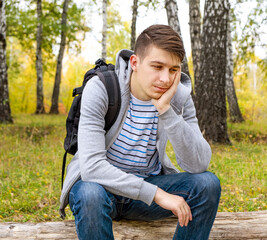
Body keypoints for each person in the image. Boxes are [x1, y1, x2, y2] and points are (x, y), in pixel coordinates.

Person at [59, 24, 221, 240]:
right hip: (101, 191)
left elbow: (198, 164)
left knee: (208, 184)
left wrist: (166, 110)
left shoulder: (179, 97)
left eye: (173, 70)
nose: (165, 79)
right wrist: (157, 195)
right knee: (89, 193)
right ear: (135, 62)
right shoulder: (101, 88)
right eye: (157, 67)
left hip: (146, 191)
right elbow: (92, 168)